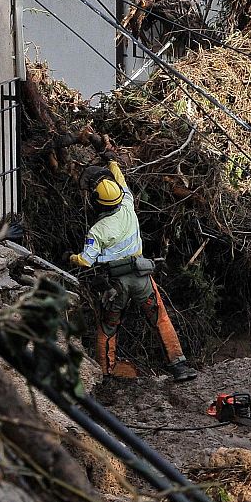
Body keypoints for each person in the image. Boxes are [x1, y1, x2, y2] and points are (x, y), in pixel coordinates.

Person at [69, 156, 197, 382]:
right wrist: (112, 161)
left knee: (108, 328)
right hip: (142, 277)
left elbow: (86, 261)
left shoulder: (97, 230)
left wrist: (72, 257)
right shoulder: (128, 205)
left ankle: (106, 374)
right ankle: (179, 366)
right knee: (160, 319)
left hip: (116, 286)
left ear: (96, 202)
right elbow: (121, 180)